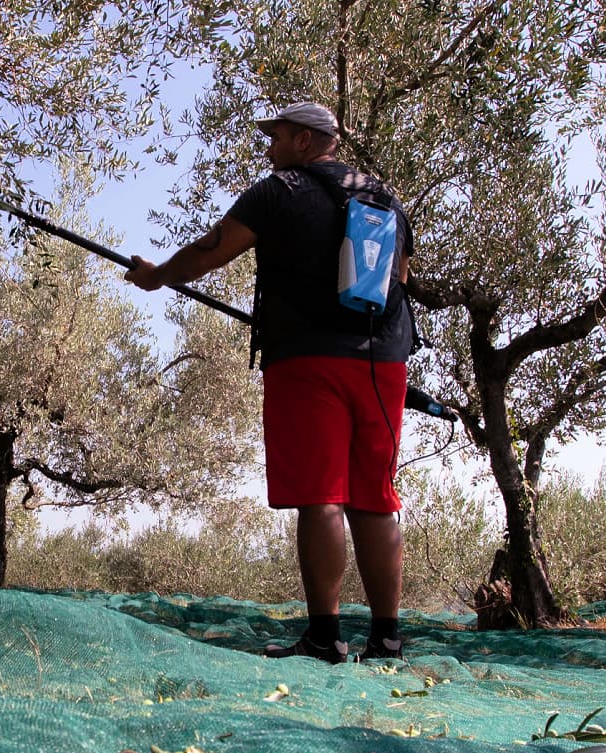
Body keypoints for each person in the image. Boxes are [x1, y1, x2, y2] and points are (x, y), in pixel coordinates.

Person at [126, 102, 415, 664]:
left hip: (308, 359)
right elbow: (399, 278)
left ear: (306, 141)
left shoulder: (278, 189)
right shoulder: (384, 196)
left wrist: (157, 276)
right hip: (385, 362)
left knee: (321, 494)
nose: (270, 146)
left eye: (277, 135)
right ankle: (387, 638)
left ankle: (326, 636)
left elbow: (213, 250)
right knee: (376, 498)